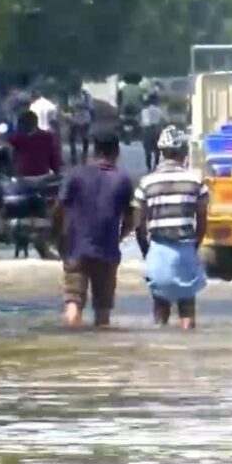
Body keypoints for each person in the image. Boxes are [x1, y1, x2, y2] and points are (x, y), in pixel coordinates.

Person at [53, 128, 135, 328]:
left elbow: (58, 209)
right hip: (107, 252)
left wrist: (58, 238)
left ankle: (74, 348)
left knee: (73, 300)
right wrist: (119, 237)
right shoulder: (123, 180)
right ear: (116, 152)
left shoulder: (75, 175)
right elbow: (131, 219)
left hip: (76, 249)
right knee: (103, 311)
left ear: (93, 151)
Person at [133, 126, 209, 330]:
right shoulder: (195, 182)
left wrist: (147, 252)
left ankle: (160, 354)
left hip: (158, 250)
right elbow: (202, 223)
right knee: (187, 309)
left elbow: (139, 225)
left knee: (160, 308)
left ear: (161, 153)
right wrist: (193, 247)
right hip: (185, 249)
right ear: (184, 153)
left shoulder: (146, 183)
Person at [7, 110, 61, 177]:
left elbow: (54, 158)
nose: (20, 129)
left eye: (22, 126)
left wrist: (57, 172)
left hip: (39, 177)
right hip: (26, 177)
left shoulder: (46, 137)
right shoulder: (17, 138)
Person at [65, 82, 95, 166]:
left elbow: (90, 107)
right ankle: (74, 155)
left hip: (84, 118)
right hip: (76, 119)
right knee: (72, 138)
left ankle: (83, 155)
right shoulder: (73, 96)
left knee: (84, 138)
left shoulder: (86, 96)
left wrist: (79, 107)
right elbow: (70, 108)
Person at [140, 92, 167, 170]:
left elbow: (142, 122)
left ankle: (148, 166)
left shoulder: (144, 111)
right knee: (157, 149)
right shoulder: (159, 111)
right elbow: (164, 120)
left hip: (147, 130)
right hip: (156, 130)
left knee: (147, 149)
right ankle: (156, 165)